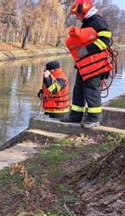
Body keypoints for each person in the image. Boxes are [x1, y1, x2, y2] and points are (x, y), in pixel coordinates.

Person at [61, 0, 113, 128]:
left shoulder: (96, 21)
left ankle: (94, 119)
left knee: (91, 90)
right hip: (85, 65)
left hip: (95, 65)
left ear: (83, 11)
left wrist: (84, 51)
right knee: (78, 89)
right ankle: (75, 116)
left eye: (77, 14)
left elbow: (105, 40)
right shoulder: (87, 23)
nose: (77, 17)